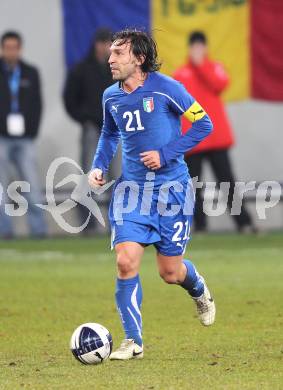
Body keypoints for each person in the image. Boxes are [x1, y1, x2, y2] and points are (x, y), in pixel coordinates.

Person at [88, 29, 216, 360]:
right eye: (111, 53)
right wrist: (99, 165)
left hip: (173, 192)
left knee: (169, 273)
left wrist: (167, 152)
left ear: (139, 58)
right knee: (126, 261)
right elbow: (108, 133)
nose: (110, 58)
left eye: (118, 53)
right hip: (132, 192)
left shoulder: (167, 88)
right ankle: (133, 342)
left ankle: (198, 289)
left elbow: (204, 124)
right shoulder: (110, 97)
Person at [174, 31, 255, 233]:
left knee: (227, 182)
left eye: (201, 46)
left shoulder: (215, 67)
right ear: (189, 48)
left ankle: (243, 223)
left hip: (216, 138)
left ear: (206, 48)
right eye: (195, 46)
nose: (198, 50)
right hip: (193, 139)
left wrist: (201, 65)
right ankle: (200, 226)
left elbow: (220, 84)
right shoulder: (181, 74)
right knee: (193, 186)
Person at [63, 28, 115, 234]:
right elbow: (69, 99)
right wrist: (83, 119)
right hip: (92, 128)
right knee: (89, 175)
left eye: (108, 44)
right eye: (101, 43)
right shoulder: (81, 69)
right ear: (95, 45)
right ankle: (88, 224)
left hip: (116, 129)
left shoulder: (117, 69)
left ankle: (118, 224)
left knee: (118, 177)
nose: (104, 48)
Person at [0, 31, 47, 239]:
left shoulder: (30, 72)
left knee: (31, 185)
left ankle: (38, 231)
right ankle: (4, 230)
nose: (11, 52)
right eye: (7, 47)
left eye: (14, 47)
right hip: (1, 137)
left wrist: (32, 131)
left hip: (25, 138)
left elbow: (37, 104)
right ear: (2, 49)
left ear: (20, 49)